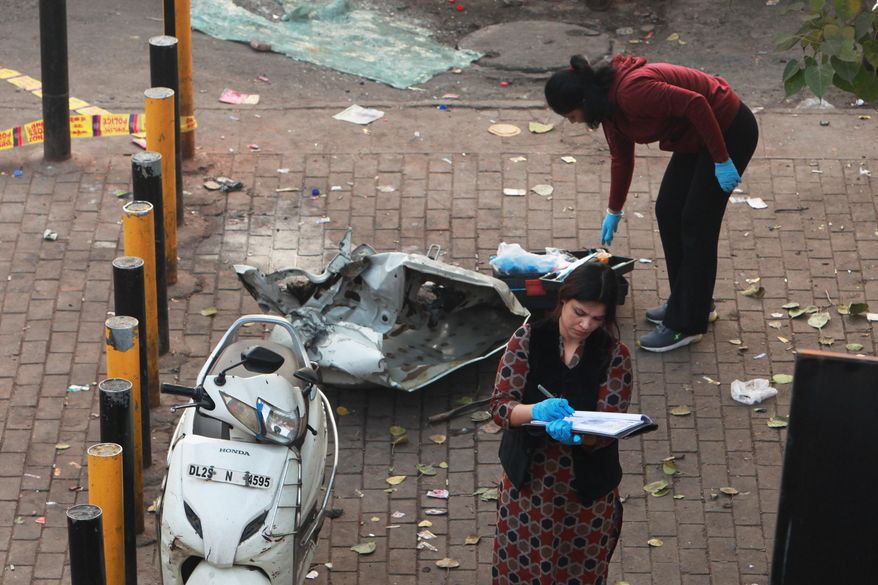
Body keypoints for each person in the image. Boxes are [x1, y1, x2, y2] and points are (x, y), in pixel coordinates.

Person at [544, 54, 759, 352]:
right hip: (695, 136)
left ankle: (687, 325)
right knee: (668, 210)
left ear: (584, 100)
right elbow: (622, 157)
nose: (572, 121)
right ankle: (692, 302)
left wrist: (721, 160)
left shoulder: (632, 93)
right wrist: (614, 210)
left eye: (571, 114)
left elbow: (696, 103)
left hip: (727, 129)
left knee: (697, 223)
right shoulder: (609, 109)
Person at [491, 262, 633, 585]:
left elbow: (609, 426)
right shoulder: (527, 339)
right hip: (528, 490)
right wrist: (535, 412)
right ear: (563, 301)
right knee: (520, 573)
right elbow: (500, 407)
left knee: (579, 573)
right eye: (578, 312)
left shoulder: (615, 355)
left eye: (597, 319)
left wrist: (581, 436)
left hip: (586, 497)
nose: (585, 325)